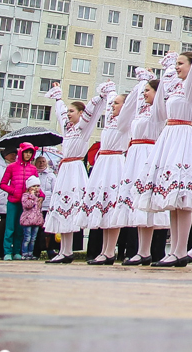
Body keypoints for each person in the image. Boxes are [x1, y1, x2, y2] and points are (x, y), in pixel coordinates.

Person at [136, 42, 192, 268]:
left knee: (184, 198)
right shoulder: (175, 87)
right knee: (173, 198)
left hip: (182, 136)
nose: (177, 67)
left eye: (181, 64)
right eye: (177, 63)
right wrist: (167, 76)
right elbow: (159, 111)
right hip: (169, 136)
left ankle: (181, 250)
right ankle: (175, 251)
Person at [86, 74, 148, 264]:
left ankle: (110, 250)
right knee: (103, 207)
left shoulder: (126, 121)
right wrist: (106, 92)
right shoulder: (110, 121)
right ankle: (106, 250)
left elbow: (133, 101)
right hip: (103, 163)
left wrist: (142, 82)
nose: (112, 106)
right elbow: (104, 105)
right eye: (111, 104)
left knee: (113, 206)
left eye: (116, 103)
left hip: (115, 163)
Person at [44, 82, 107, 263]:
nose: (68, 114)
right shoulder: (68, 129)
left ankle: (67, 250)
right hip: (65, 169)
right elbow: (60, 111)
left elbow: (93, 115)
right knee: (62, 208)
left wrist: (100, 98)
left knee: (71, 207)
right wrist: (58, 97)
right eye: (69, 111)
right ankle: (64, 250)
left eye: (72, 111)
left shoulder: (83, 128)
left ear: (81, 113)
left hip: (75, 170)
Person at [118, 77, 172, 265]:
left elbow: (161, 95)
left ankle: (151, 251)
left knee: (147, 200)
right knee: (138, 203)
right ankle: (142, 251)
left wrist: (162, 76)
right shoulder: (141, 111)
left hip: (148, 153)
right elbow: (123, 118)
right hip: (135, 154)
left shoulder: (158, 111)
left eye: (148, 91)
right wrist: (140, 83)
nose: (144, 94)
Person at [0, 142, 39, 260]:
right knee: (10, 227)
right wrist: (13, 191)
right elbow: (2, 184)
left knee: (20, 228)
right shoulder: (11, 167)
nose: (28, 155)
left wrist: (39, 195)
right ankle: (7, 252)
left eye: (30, 153)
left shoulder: (33, 168)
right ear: (21, 152)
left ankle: (17, 251)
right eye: (26, 152)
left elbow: (37, 184)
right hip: (13, 201)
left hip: (26, 204)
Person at [20, 177, 45, 259]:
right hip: (27, 220)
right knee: (27, 238)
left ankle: (31, 253)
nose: (36, 188)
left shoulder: (39, 197)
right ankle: (24, 253)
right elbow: (27, 205)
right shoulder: (26, 196)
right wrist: (32, 196)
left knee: (33, 238)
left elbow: (39, 210)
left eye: (38, 186)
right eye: (34, 186)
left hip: (36, 221)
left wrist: (41, 220)